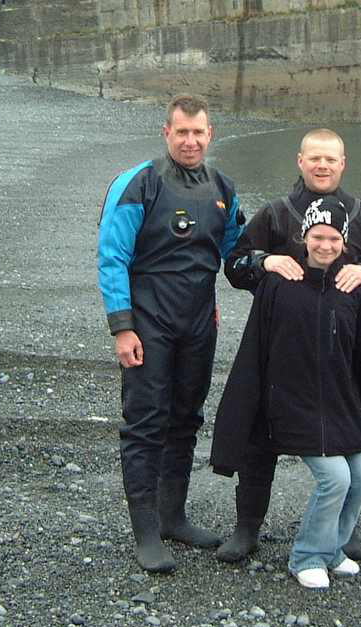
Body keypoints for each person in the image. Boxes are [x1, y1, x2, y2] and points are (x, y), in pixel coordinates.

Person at [218, 128, 361, 563]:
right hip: (280, 347)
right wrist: (264, 260)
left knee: (346, 438)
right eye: (315, 158)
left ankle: (341, 532)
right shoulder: (276, 214)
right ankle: (247, 526)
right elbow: (235, 265)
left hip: (343, 352)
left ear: (343, 164)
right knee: (259, 437)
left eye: (331, 159)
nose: (322, 165)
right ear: (300, 161)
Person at [97, 94, 245, 573]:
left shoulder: (223, 187)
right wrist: (122, 328)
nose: (190, 141)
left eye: (198, 132)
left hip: (199, 322)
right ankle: (145, 531)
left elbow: (237, 253)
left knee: (186, 418)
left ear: (210, 134)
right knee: (145, 422)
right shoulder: (138, 183)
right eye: (182, 132)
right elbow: (112, 257)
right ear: (167, 133)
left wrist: (285, 263)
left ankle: (173, 516)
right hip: (148, 322)